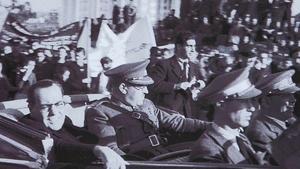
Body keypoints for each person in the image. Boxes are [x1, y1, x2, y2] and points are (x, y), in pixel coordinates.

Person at [85, 60, 212, 159]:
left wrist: (212, 126)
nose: (146, 91)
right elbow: (111, 150)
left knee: (206, 151)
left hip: (162, 153)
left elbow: (178, 122)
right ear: (123, 88)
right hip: (141, 161)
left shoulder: (146, 104)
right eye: (141, 87)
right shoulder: (99, 112)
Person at [19, 79, 127, 169]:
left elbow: (83, 136)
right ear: (30, 108)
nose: (54, 112)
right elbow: (57, 146)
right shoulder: (28, 127)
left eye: (58, 104)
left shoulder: (64, 120)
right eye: (45, 107)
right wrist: (96, 150)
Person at [189, 68, 267, 165]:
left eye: (251, 101)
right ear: (221, 104)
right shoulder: (207, 151)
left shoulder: (240, 137)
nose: (252, 108)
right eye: (243, 101)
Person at [246, 70, 299, 161]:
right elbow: (284, 161)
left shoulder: (290, 122)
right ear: (266, 102)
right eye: (286, 95)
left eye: (293, 95)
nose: (293, 100)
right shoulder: (259, 132)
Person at [148, 32, 204, 118]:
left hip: (190, 113)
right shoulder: (164, 64)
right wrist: (176, 86)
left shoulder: (195, 66)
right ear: (179, 46)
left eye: (194, 46)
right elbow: (154, 85)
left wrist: (198, 86)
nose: (193, 49)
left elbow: (201, 87)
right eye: (189, 46)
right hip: (169, 114)